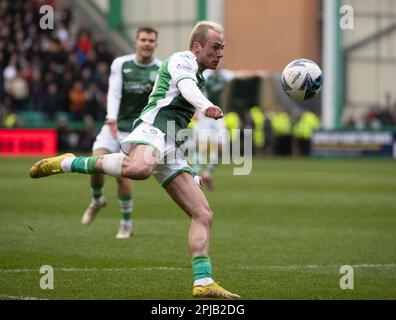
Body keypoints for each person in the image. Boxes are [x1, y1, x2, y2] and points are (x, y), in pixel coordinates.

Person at [29, 21, 240, 299]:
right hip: (153, 130)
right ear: (197, 46)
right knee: (139, 169)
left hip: (172, 144)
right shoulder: (181, 60)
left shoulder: (200, 74)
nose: (220, 53)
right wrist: (206, 106)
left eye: (223, 48)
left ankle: (203, 281)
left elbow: (190, 94)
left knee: (203, 214)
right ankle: (68, 162)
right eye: (216, 47)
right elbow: (187, 88)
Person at [81, 27, 161, 239]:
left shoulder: (161, 69)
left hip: (137, 131)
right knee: (95, 163)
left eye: (151, 40)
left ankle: (126, 224)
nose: (146, 43)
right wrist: (112, 119)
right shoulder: (121, 64)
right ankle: (97, 199)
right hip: (113, 124)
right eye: (143, 39)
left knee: (122, 176)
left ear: (156, 44)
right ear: (136, 42)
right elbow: (114, 92)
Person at [193, 68, 264, 189]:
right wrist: (194, 110)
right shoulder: (204, 74)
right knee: (203, 147)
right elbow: (193, 91)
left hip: (218, 114)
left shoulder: (224, 75)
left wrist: (256, 73)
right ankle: (195, 176)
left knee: (222, 147)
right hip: (204, 114)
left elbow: (239, 74)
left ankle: (207, 174)